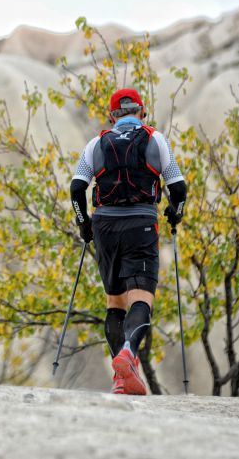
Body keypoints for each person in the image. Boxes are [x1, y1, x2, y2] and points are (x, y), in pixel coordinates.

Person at [70, 88, 186, 395]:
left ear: (111, 117)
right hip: (141, 225)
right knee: (141, 299)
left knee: (115, 303)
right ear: (142, 112)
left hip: (105, 227)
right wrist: (175, 214)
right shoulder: (155, 139)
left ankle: (121, 379)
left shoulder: (95, 144)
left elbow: (76, 188)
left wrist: (84, 224)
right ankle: (128, 355)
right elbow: (179, 187)